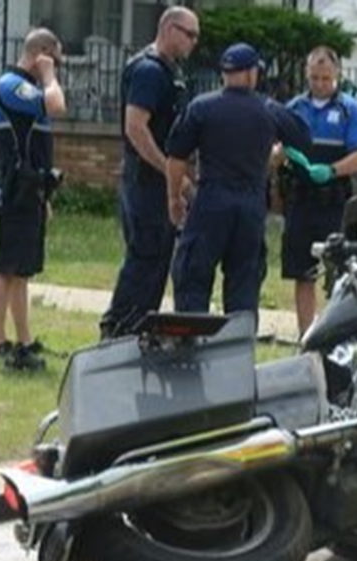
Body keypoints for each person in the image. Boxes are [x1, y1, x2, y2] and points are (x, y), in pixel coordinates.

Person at [165, 43, 311, 316]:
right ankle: (238, 348)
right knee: (244, 283)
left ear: (226, 73)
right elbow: (303, 137)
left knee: (193, 277)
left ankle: (191, 345)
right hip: (250, 206)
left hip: (210, 201)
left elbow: (175, 158)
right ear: (250, 74)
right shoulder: (268, 109)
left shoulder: (201, 107)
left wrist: (174, 198)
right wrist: (275, 152)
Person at [98, 7, 200, 340]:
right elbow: (136, 128)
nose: (194, 42)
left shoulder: (172, 72)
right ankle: (119, 329)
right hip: (146, 181)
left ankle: (141, 330)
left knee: (157, 260)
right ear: (169, 29)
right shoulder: (149, 70)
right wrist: (170, 171)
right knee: (145, 255)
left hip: (160, 180)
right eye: (190, 34)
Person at [0, 28, 66, 372]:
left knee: (22, 272)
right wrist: (48, 74)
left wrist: (44, 196)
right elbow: (56, 104)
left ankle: (24, 340)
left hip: (31, 190)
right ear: (42, 53)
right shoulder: (9, 84)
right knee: (5, 268)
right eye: (56, 59)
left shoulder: (30, 90)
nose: (58, 68)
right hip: (16, 189)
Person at [280, 46, 357, 337]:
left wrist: (330, 170)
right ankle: (307, 335)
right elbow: (277, 147)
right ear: (307, 75)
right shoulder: (295, 108)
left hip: (334, 201)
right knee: (302, 271)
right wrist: (281, 154)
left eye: (326, 79)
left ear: (337, 76)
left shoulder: (349, 109)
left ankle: (335, 332)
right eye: (315, 78)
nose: (320, 84)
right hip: (301, 200)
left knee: (339, 271)